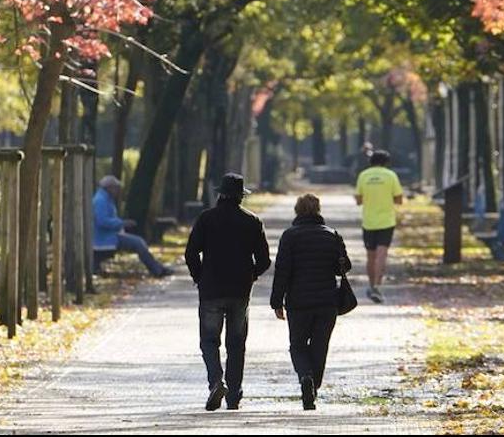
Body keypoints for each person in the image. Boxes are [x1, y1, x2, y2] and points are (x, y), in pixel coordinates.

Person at [184, 172, 271, 412]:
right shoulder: (252, 221)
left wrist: (199, 276)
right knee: (236, 343)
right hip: (240, 290)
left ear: (220, 194)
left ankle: (215, 381)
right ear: (241, 197)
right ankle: (234, 394)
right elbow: (264, 260)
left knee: (209, 341)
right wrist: (251, 274)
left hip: (211, 288)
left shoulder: (206, 219)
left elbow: (191, 253)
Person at [270, 193, 351, 411]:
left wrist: (276, 301)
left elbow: (282, 271)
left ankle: (305, 377)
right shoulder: (331, 235)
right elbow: (343, 267)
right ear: (318, 210)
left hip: (298, 302)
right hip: (327, 302)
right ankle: (314, 384)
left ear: (297, 211)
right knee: (320, 346)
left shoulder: (289, 236)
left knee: (297, 345)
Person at [93, 175, 174, 278]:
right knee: (138, 243)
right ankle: (157, 270)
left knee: (139, 242)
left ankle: (158, 269)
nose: (117, 191)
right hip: (105, 238)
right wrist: (121, 223)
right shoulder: (101, 200)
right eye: (116, 188)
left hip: (109, 236)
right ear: (109, 187)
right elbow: (102, 221)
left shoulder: (105, 198)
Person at [354, 149, 403, 304]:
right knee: (382, 255)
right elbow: (399, 199)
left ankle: (371, 284)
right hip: (387, 221)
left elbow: (358, 200)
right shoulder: (391, 176)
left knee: (371, 256)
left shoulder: (363, 175)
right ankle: (377, 286)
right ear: (386, 162)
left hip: (369, 221)